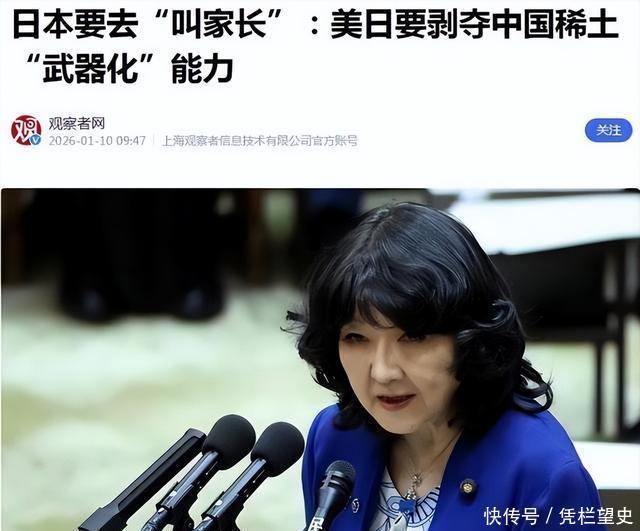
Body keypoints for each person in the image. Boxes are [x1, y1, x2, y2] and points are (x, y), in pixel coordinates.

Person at [289, 203, 605, 530]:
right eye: (356, 337)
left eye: (413, 337)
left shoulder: (544, 474)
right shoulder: (333, 438)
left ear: (471, 337)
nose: (382, 372)